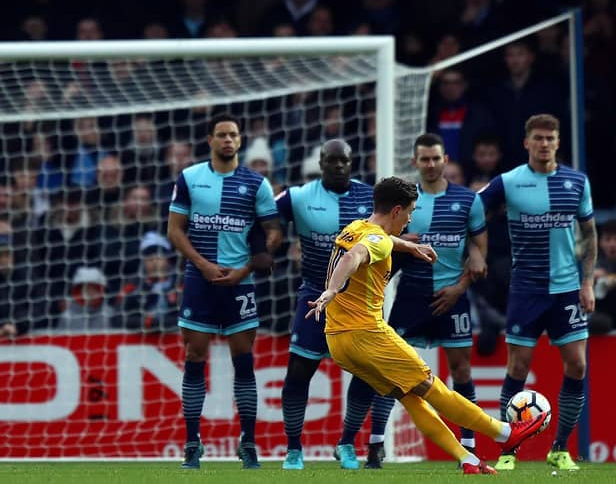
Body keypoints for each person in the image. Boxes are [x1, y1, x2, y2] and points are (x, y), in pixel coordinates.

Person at [307, 176, 549, 475]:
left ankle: (468, 459)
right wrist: (331, 289)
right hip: (367, 334)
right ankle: (503, 432)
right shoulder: (377, 241)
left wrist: (409, 248)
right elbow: (355, 257)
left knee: (409, 397)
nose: (410, 219)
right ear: (396, 210)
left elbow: (368, 244)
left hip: (339, 340)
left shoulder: (356, 227)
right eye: (409, 212)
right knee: (431, 387)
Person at [351, 133, 488, 467]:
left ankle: (468, 445)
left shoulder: (468, 200)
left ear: (446, 160)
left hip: (452, 295)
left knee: (461, 369)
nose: (430, 164)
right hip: (410, 295)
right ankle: (376, 444)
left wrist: (460, 286)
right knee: (390, 372)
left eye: (435, 158)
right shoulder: (403, 202)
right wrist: (398, 240)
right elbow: (376, 239)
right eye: (424, 159)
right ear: (414, 162)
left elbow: (480, 251)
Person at [479, 114, 597, 471]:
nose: (544, 144)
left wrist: (588, 282)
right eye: (538, 138)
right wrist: (475, 251)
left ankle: (560, 448)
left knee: (577, 364)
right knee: (518, 366)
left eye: (551, 138)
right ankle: (508, 451)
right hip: (526, 289)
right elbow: (472, 211)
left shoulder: (577, 182)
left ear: (559, 142)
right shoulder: (509, 182)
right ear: (526, 142)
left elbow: (590, 235)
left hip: (566, 289)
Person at [167, 112, 282, 470]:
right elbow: (175, 229)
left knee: (243, 361)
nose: (228, 140)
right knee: (194, 356)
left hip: (240, 284)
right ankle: (191, 443)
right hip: (200, 281)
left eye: (233, 134)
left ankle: (248, 442)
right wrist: (202, 264)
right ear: (210, 140)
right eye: (222, 135)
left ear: (240, 139)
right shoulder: (190, 178)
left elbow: (274, 233)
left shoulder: (257, 183)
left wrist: (245, 269)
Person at [276, 139, 374, 470]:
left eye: (343, 160)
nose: (338, 166)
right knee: (299, 371)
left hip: (357, 300)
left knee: (365, 373)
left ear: (352, 161)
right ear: (320, 163)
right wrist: (268, 246)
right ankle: (293, 449)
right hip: (314, 294)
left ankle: (347, 444)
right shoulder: (299, 197)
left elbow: (394, 235)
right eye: (331, 160)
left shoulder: (371, 197)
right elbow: (264, 215)